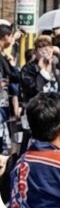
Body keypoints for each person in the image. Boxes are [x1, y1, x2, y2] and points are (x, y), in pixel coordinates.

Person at [0, 23, 21, 155]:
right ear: (6, 37)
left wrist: (11, 63)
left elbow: (16, 77)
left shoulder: (4, 56)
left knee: (4, 142)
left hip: (4, 102)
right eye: (11, 37)